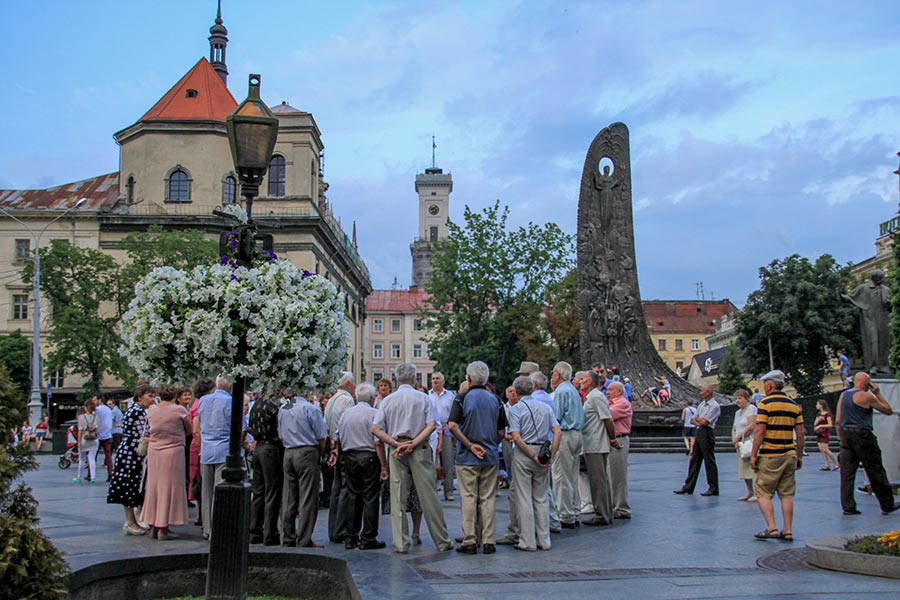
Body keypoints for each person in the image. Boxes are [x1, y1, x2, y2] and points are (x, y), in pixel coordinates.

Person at [372, 362, 453, 554]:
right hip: (419, 447)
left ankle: (401, 543)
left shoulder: (388, 400)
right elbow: (433, 424)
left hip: (396, 449)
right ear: (414, 378)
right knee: (429, 496)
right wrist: (414, 443)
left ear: (396, 379)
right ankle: (442, 540)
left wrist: (394, 443)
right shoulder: (423, 398)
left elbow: (375, 428)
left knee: (398, 496)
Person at [447, 361, 507, 554]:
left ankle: (470, 540)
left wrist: (470, 444)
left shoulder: (461, 399)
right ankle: (489, 540)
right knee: (488, 499)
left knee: (468, 498)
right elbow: (501, 431)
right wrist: (490, 443)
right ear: (487, 379)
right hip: (490, 456)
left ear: (469, 378)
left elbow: (452, 425)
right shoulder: (496, 400)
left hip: (467, 457)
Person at [507, 375, 561, 551]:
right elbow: (557, 431)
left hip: (525, 453)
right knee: (542, 497)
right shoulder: (545, 407)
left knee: (524, 497)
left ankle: (527, 540)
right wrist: (551, 454)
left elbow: (516, 436)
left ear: (516, 390)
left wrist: (531, 455)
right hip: (543, 450)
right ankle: (544, 540)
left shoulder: (516, 409)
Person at [750, 370, 805, 541]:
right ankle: (787, 530)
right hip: (789, 454)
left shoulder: (765, 403)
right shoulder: (793, 404)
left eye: (765, 385)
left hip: (770, 454)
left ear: (769, 385)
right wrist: (799, 454)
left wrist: (753, 454)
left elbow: (760, 431)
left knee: (763, 492)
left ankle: (772, 528)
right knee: (787, 494)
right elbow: (801, 432)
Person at [332, 383, 387, 550]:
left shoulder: (347, 414)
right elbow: (378, 442)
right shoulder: (374, 414)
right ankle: (368, 537)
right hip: (369, 457)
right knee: (370, 497)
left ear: (356, 397)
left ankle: (351, 537)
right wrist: (384, 466)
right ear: (371, 398)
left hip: (349, 456)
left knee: (353, 496)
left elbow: (337, 437)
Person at [836, 372, 900, 515]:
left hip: (846, 434)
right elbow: (888, 410)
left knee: (847, 473)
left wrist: (841, 438)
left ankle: (848, 506)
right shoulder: (866, 396)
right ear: (867, 383)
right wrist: (877, 393)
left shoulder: (843, 395)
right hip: (863, 435)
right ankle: (887, 504)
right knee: (875, 469)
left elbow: (838, 420)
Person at [140, 384, 192, 540]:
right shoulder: (179, 410)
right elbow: (189, 430)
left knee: (154, 487)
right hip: (173, 451)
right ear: (175, 396)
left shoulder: (152, 410)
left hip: (154, 451)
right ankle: (164, 527)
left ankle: (154, 525)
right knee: (169, 487)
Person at [279, 393, 328, 548]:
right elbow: (321, 435)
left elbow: (280, 433)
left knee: (288, 496)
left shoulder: (283, 409)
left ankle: (287, 536)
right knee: (307, 498)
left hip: (288, 452)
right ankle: (304, 538)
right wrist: (320, 451)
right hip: (307, 451)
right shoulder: (310, 408)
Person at [107, 383, 155, 535]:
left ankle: (132, 521)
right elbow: (144, 434)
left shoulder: (134, 410)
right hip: (132, 453)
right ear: (140, 397)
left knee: (129, 485)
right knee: (130, 485)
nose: (152, 399)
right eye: (149, 396)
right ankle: (130, 521)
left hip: (127, 451)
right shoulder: (139, 412)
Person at [580, 370, 619, 526]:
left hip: (595, 443)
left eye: (582, 379)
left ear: (589, 381)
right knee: (598, 479)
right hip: (592, 443)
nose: (580, 382)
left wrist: (612, 438)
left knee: (598, 480)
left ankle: (602, 514)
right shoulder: (592, 397)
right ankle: (605, 512)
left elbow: (607, 419)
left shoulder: (596, 397)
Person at [197, 375, 232, 540]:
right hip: (224, 449)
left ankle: (208, 528)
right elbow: (237, 426)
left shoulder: (203, 400)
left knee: (207, 491)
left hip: (206, 450)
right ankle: (218, 527)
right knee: (220, 490)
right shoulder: (230, 401)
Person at [549, 361, 584, 529]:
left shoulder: (560, 392)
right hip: (577, 434)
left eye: (553, 373)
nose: (551, 376)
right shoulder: (573, 390)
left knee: (561, 475)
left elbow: (556, 417)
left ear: (558, 375)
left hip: (565, 434)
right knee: (572, 474)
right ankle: (575, 509)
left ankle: (565, 514)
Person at [247, 390, 285, 546]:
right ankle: (270, 532)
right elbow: (279, 429)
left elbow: (250, 426)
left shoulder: (256, 404)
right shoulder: (274, 405)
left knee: (258, 492)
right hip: (271, 448)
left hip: (259, 447)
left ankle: (255, 531)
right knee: (272, 491)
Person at [324, 372, 356, 544]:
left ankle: (333, 528)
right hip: (344, 446)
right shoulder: (347, 400)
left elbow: (326, 423)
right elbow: (348, 423)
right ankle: (340, 529)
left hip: (334, 444)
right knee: (344, 488)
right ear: (349, 384)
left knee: (336, 489)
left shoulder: (331, 400)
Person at [674, 384, 720, 496]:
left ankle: (713, 487)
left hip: (707, 432)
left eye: (702, 391)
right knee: (694, 459)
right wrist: (699, 421)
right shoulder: (701, 405)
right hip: (699, 431)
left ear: (708, 392)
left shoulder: (714, 406)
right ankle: (688, 486)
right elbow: (693, 420)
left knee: (709, 460)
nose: (700, 392)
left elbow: (705, 422)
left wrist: (699, 421)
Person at [845, 270, 892, 375]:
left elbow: (891, 304)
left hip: (883, 320)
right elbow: (850, 297)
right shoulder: (864, 288)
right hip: (870, 319)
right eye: (879, 278)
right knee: (872, 341)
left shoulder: (886, 289)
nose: (881, 280)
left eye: (882, 278)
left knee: (884, 343)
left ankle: (884, 366)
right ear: (874, 278)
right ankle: (873, 366)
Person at [497, 385, 521, 546]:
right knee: (508, 464)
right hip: (507, 440)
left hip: (519, 440)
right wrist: (507, 436)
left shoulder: (520, 406)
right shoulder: (503, 407)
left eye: (514, 391)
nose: (512, 393)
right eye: (509, 391)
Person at [189, 377, 214, 525]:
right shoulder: (200, 404)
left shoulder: (197, 403)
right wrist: (200, 449)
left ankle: (201, 514)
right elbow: (196, 430)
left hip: (200, 445)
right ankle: (201, 515)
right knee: (200, 480)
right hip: (200, 446)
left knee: (199, 480)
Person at [429, 372, 458, 501]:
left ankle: (449, 491)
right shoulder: (427, 396)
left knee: (448, 462)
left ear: (443, 381)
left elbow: (454, 412)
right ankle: (433, 491)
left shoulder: (450, 396)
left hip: (446, 430)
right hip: (431, 430)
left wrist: (450, 425)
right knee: (431, 462)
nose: (435, 381)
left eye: (438, 379)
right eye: (433, 378)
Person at [607, 381, 633, 518]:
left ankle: (622, 508)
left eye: (611, 390)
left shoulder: (622, 403)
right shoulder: (611, 403)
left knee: (618, 475)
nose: (607, 392)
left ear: (619, 392)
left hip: (619, 440)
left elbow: (607, 416)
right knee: (611, 474)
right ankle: (614, 505)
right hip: (612, 440)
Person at [731, 389, 758, 502]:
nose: (738, 400)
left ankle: (757, 493)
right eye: (736, 398)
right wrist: (734, 439)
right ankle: (749, 491)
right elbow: (734, 428)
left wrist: (738, 437)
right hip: (740, 443)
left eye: (740, 398)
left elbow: (751, 426)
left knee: (754, 467)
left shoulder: (752, 409)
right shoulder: (737, 412)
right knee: (744, 468)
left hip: (749, 441)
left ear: (746, 398)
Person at [74, 398, 99, 483]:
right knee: (92, 459)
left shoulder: (81, 417)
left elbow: (80, 430)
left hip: (84, 440)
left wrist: (78, 442)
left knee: (82, 459)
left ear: (86, 407)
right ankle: (93, 477)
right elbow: (97, 428)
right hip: (94, 440)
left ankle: (78, 477)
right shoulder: (96, 417)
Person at [93, 396, 115, 481]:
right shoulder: (109, 410)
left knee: (93, 456)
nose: (94, 401)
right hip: (108, 434)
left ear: (100, 400)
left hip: (98, 435)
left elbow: (95, 421)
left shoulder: (97, 410)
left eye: (95, 400)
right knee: (108, 456)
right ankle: (110, 474)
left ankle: (91, 474)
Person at [813, 400, 838, 471]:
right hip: (819, 432)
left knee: (825, 449)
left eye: (817, 404)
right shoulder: (819, 414)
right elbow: (815, 423)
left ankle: (836, 463)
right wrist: (818, 420)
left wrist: (821, 425)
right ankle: (826, 464)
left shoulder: (827, 414)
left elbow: (830, 425)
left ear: (821, 405)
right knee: (821, 449)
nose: (816, 406)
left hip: (824, 432)